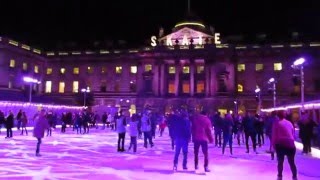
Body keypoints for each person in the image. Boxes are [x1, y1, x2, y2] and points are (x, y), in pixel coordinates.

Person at [272, 110, 297, 180]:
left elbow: (274, 136)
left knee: (280, 162)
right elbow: (293, 135)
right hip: (291, 145)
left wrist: (273, 146)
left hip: (281, 145)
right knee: (292, 162)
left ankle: (280, 176)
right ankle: (294, 176)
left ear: (277, 116)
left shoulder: (276, 124)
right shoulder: (289, 123)